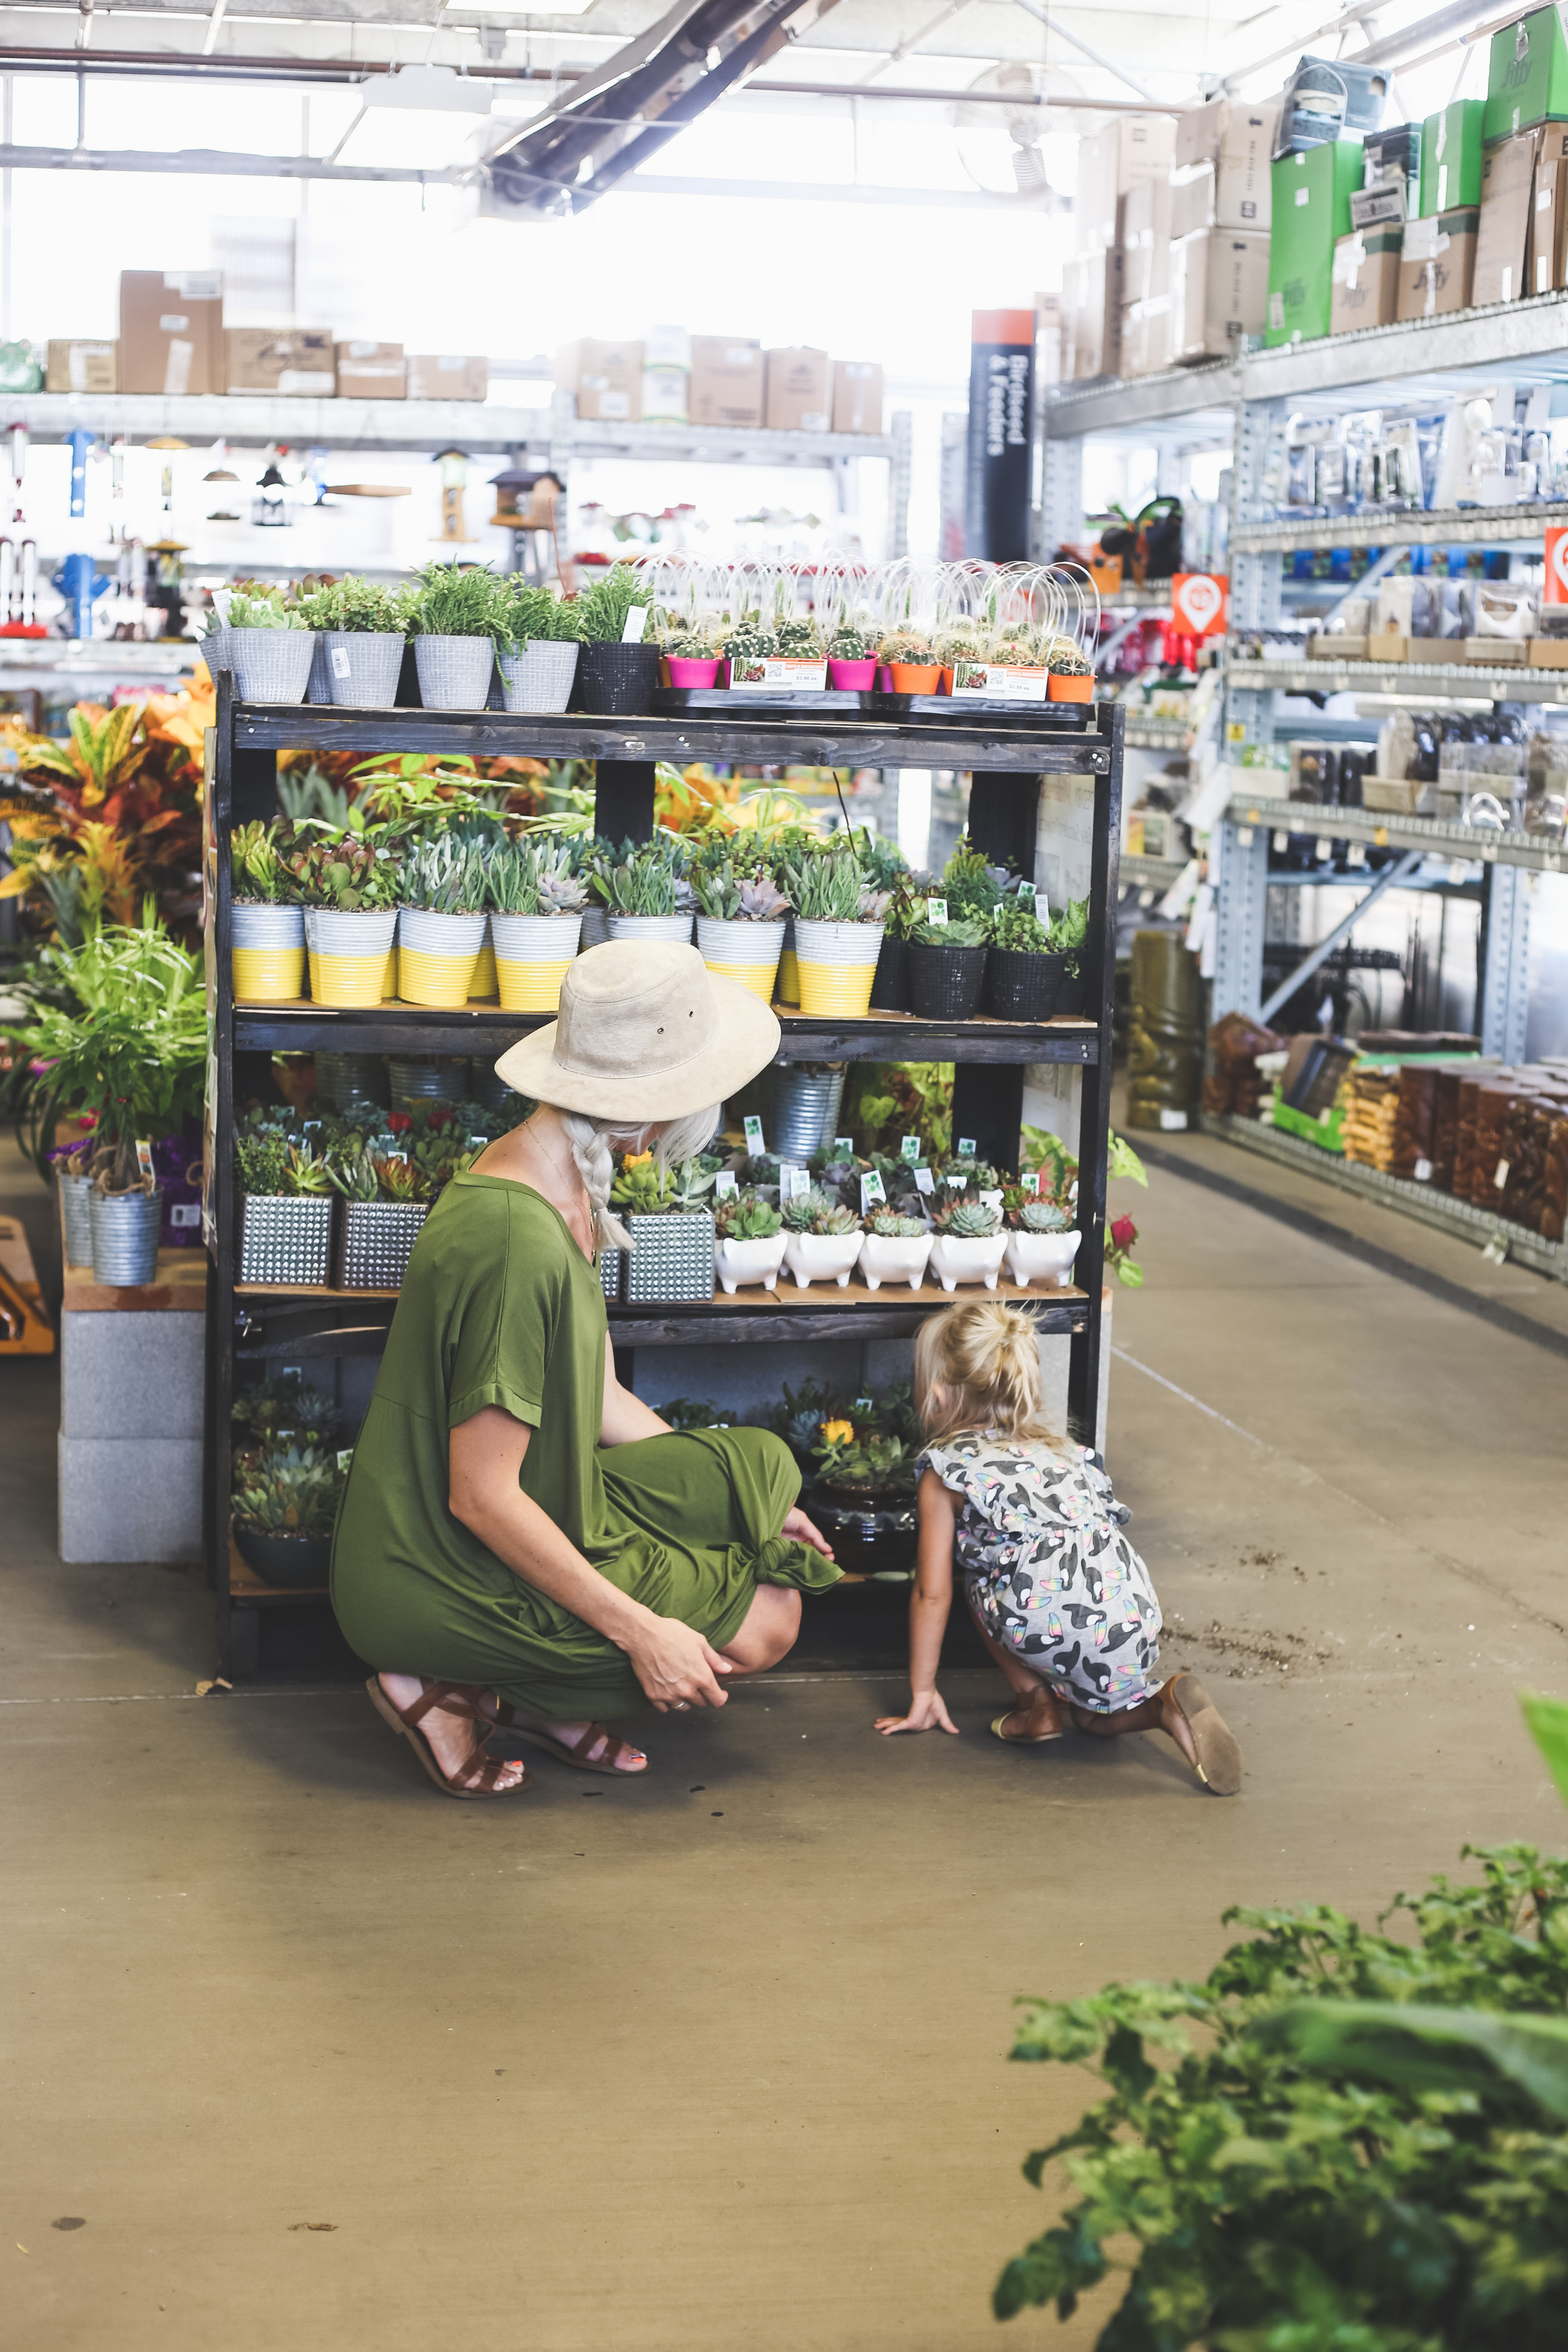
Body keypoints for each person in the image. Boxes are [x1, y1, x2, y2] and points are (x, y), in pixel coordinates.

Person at [331, 940, 839, 1800]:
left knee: (762, 1471)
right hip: (438, 1566)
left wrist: (751, 1507)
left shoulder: (568, 1188)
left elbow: (599, 1397)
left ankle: (532, 1697)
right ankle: (456, 1688)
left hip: (547, 1495)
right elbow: (478, 1496)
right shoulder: (513, 1245)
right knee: (767, 1623)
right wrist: (643, 1632)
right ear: (650, 1110)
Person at [873, 1298, 1242, 1796]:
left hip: (1042, 1619)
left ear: (939, 1396)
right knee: (1094, 1721)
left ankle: (1035, 1704)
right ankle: (1163, 1702)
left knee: (981, 1575)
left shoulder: (948, 1472)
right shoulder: (1066, 1452)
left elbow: (931, 1595)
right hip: (1129, 1608)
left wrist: (923, 1693)